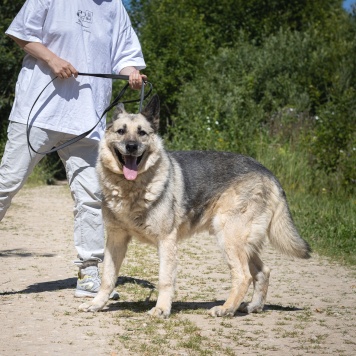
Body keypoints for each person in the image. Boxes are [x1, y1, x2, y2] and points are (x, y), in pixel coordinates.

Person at [0, 0, 147, 298]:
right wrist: (53, 60)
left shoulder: (115, 6)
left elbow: (124, 54)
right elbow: (20, 33)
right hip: (37, 112)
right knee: (6, 184)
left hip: (88, 118)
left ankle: (89, 273)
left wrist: (131, 73)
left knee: (90, 196)